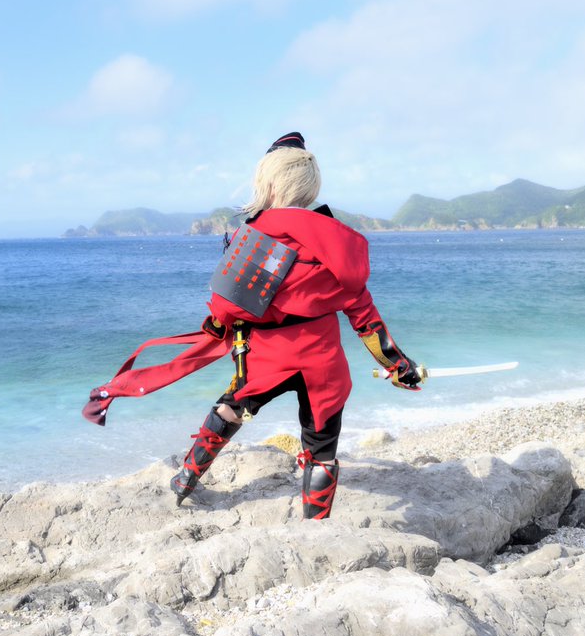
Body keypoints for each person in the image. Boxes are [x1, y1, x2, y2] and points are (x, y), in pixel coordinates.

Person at [83, 132, 421, 519]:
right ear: (310, 188)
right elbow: (366, 319)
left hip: (266, 360)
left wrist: (215, 327)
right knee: (322, 447)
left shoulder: (259, 235)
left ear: (270, 184)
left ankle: (186, 480)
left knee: (233, 409)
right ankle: (315, 523)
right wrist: (398, 365)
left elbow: (226, 308)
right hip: (324, 362)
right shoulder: (338, 243)